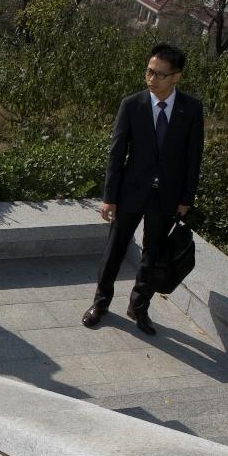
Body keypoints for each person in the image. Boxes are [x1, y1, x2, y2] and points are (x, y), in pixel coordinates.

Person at [83, 43, 204, 336]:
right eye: (149, 71)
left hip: (166, 196)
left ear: (176, 77)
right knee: (115, 250)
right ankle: (100, 304)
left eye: (159, 74)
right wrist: (109, 197)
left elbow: (193, 156)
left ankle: (139, 307)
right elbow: (116, 153)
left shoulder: (191, 109)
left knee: (152, 255)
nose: (151, 79)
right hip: (130, 193)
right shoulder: (132, 105)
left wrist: (186, 198)